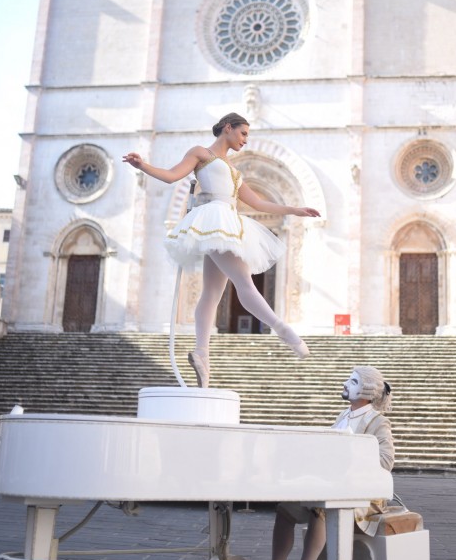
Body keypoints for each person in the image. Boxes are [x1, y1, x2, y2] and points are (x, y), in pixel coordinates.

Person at [123, 112, 320, 388]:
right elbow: (171, 176)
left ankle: (202, 354)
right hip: (213, 220)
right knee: (244, 283)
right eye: (243, 134)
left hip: (225, 222)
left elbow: (259, 204)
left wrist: (295, 210)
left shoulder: (235, 172)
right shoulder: (201, 153)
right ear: (228, 128)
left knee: (212, 293)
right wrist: (143, 165)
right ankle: (282, 329)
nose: (245, 140)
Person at [270, 365, 394, 560]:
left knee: (321, 507)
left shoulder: (377, 422)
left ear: (366, 391)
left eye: (353, 382)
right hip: (333, 485)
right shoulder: (343, 415)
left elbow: (386, 461)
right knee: (285, 510)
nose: (345, 384)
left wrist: (350, 454)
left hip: (363, 495)